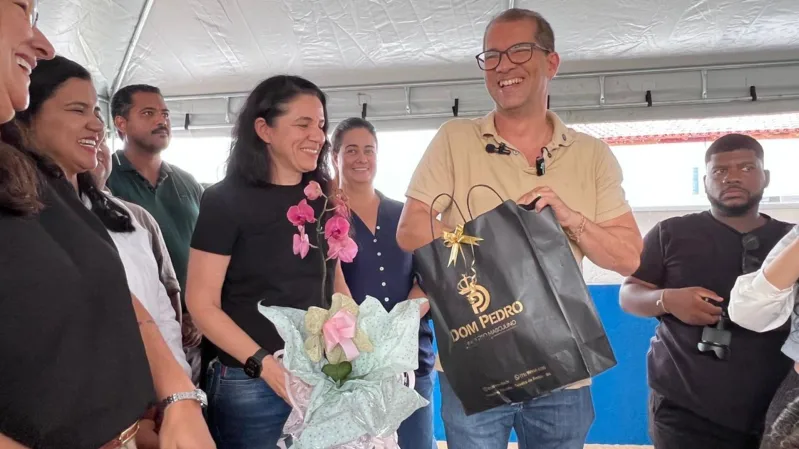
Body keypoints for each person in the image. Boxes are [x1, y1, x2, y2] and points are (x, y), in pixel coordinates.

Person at [396, 8, 642, 449]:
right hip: (475, 363)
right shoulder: (455, 138)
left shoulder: (592, 155)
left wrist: (571, 219)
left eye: (519, 51)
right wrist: (493, 256)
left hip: (562, 368)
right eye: (491, 55)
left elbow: (629, 258)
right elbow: (412, 228)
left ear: (552, 62)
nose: (502, 65)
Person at [0, 6, 213, 449]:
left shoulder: (35, 180)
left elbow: (114, 293)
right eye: (22, 8)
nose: (44, 44)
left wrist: (177, 397)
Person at [186, 75, 351, 448]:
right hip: (251, 383)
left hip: (321, 377)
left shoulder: (323, 197)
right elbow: (201, 303)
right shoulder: (224, 201)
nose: (318, 136)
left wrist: (354, 349)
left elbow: (336, 284)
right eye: (303, 124)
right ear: (264, 129)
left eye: (321, 125)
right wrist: (266, 366)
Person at [620, 134, 793, 449]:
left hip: (775, 409)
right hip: (684, 408)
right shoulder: (671, 233)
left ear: (765, 177)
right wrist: (667, 300)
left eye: (746, 168)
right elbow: (629, 293)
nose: (732, 177)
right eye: (720, 171)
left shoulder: (789, 242)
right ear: (705, 182)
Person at [331, 117, 435, 449]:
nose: (361, 158)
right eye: (351, 150)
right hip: (352, 365)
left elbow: (431, 278)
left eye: (369, 150)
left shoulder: (404, 214)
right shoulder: (325, 219)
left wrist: (399, 323)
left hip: (411, 362)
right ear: (334, 156)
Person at [107, 83, 204, 383]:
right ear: (121, 123)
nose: (162, 121)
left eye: (165, 114)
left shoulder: (187, 182)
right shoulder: (104, 179)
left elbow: (208, 253)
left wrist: (197, 313)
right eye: (148, 113)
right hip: (134, 327)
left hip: (198, 327)